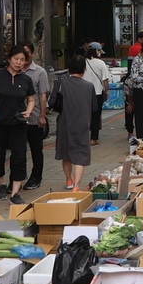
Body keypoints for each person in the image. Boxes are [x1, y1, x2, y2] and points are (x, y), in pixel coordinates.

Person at [0, 46, 35, 205]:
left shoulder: (26, 79)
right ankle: (1, 183)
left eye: (22, 60)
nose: (19, 62)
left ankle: (15, 192)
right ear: (9, 59)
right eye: (16, 59)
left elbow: (31, 98)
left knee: (19, 156)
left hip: (18, 123)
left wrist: (29, 111)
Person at [53, 56, 95, 191]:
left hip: (65, 122)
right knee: (80, 155)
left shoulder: (60, 83)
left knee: (66, 153)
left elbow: (52, 103)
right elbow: (94, 107)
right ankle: (76, 186)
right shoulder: (89, 86)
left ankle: (69, 180)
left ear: (69, 69)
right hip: (82, 123)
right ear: (84, 69)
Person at [20, 42, 49, 191]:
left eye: (26, 53)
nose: (22, 57)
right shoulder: (15, 71)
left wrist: (42, 116)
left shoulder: (39, 72)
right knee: (18, 150)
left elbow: (43, 95)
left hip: (34, 116)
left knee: (36, 149)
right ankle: (18, 178)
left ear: (32, 54)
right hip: (17, 118)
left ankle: (36, 177)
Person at [83, 43, 109, 146]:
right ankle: (93, 139)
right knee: (96, 116)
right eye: (99, 51)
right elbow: (105, 79)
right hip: (97, 92)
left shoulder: (83, 62)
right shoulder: (100, 63)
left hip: (83, 93)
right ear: (97, 51)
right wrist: (106, 91)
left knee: (84, 116)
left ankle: (83, 138)